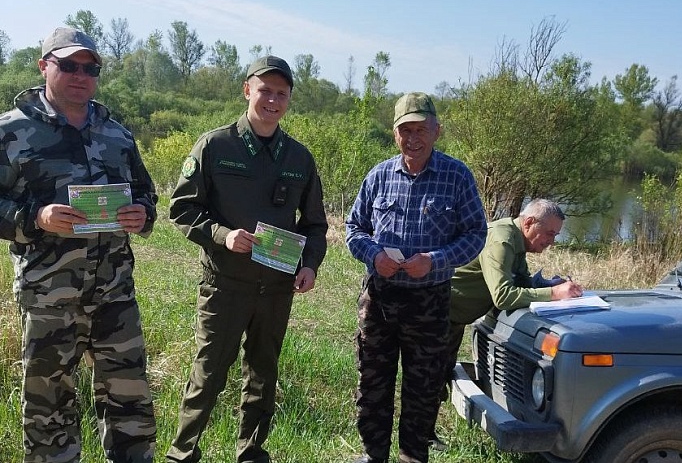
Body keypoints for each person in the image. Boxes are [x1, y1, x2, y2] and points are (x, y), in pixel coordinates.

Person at [0, 27, 158, 462]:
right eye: (69, 65)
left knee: (131, 403)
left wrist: (142, 214)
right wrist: (36, 217)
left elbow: (146, 194)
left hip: (114, 294)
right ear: (44, 66)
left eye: (90, 68)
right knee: (49, 409)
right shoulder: (11, 132)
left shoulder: (117, 135)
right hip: (50, 296)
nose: (80, 75)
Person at [165, 55, 328, 463]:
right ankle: (182, 453)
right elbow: (182, 209)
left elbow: (314, 225)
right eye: (265, 91)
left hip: (275, 289)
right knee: (208, 374)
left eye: (281, 94)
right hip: (226, 284)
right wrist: (223, 235)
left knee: (263, 375)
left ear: (288, 99)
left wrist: (309, 264)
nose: (272, 101)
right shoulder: (215, 146)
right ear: (247, 90)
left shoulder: (298, 158)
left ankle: (251, 452)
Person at [345, 92, 487, 463]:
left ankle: (413, 456)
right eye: (405, 130)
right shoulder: (378, 176)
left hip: (429, 300)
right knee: (372, 382)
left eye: (421, 129)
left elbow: (476, 234)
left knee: (422, 387)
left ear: (436, 131)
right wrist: (374, 255)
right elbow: (354, 228)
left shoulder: (457, 177)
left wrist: (437, 260)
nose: (413, 138)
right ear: (395, 134)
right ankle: (372, 454)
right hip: (379, 299)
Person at [429, 198, 583, 447]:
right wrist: (554, 294)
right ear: (530, 223)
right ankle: (418, 442)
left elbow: (520, 281)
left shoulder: (518, 241)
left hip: (452, 319)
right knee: (427, 381)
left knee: (437, 377)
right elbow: (503, 296)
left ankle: (424, 436)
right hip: (435, 316)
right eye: (549, 233)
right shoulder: (502, 240)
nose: (552, 241)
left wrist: (548, 284)